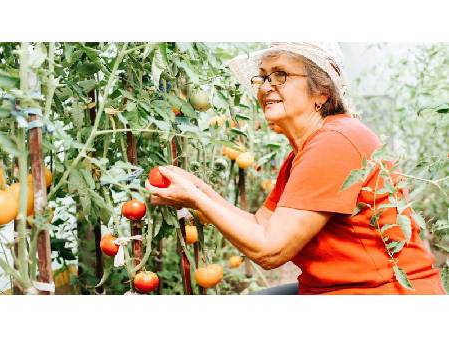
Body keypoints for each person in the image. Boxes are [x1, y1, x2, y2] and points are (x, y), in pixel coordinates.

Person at [147, 42, 445, 295]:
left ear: (322, 92)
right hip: (333, 288)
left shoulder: (336, 142)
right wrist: (199, 189)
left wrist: (196, 199)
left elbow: (270, 250)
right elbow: (262, 224)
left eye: (281, 75)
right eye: (262, 78)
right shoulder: (304, 153)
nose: (266, 87)